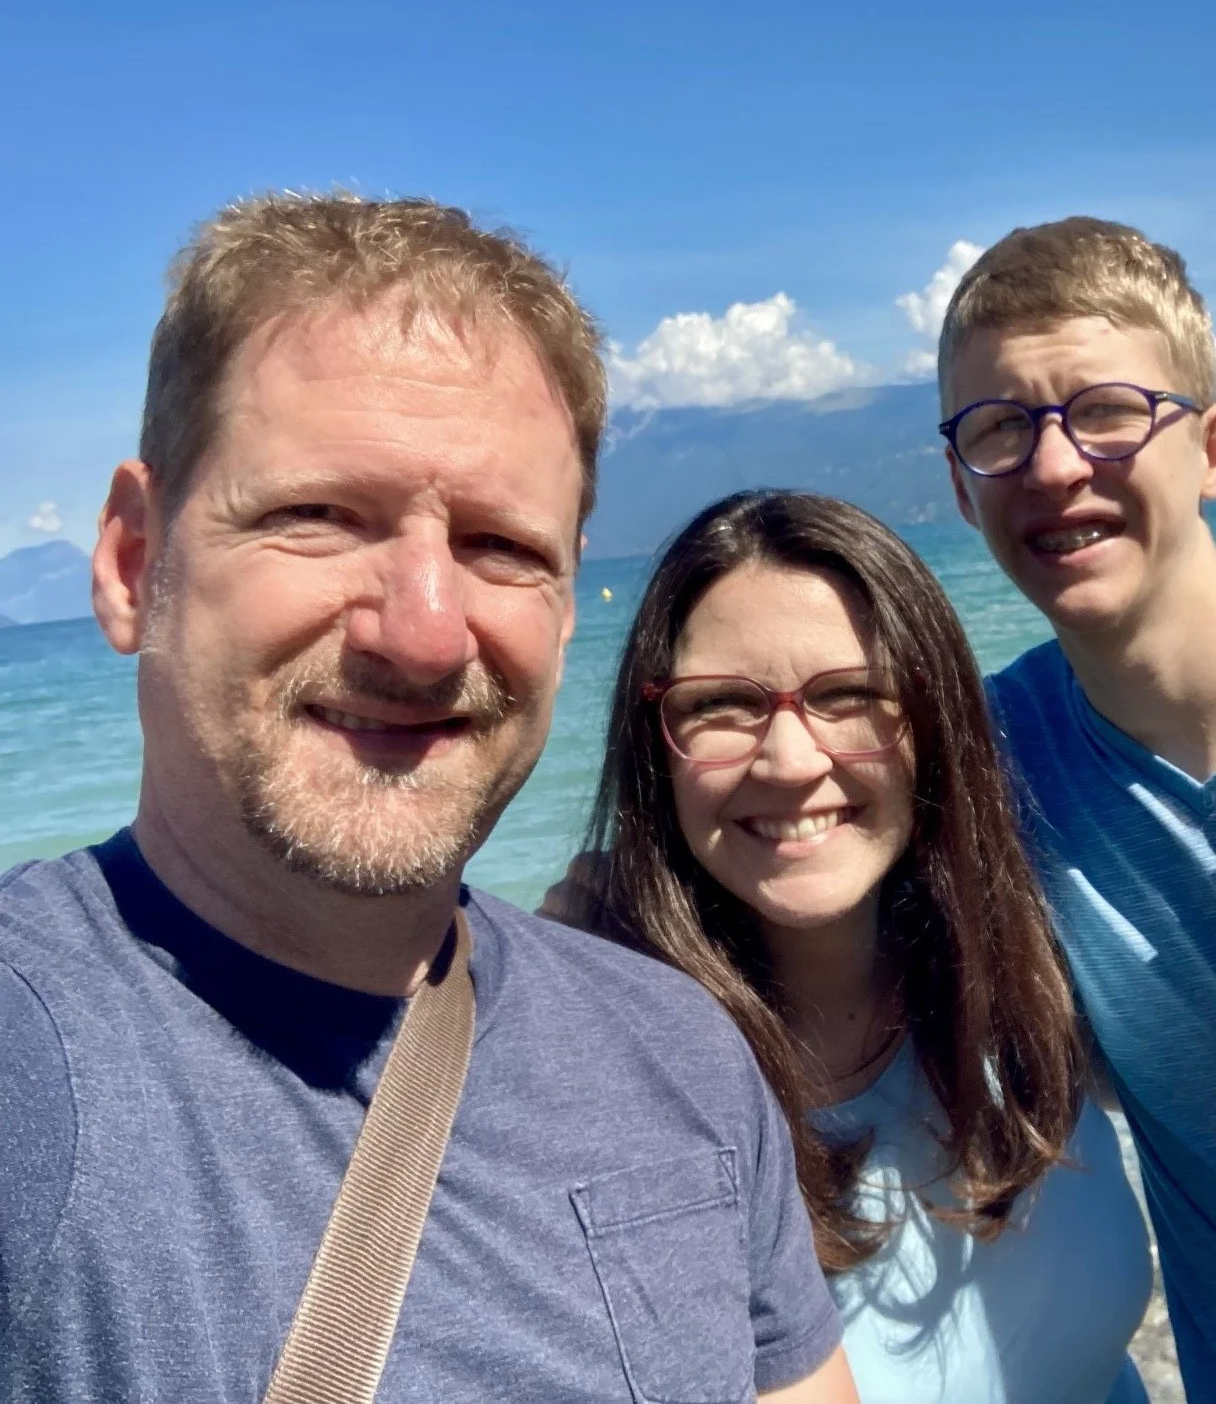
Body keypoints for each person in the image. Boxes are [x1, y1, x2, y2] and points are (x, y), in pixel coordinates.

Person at [0, 195, 854, 1403]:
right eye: (319, 515)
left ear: (564, 612)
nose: (424, 628)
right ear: (136, 563)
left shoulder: (682, 1056)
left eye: (503, 545)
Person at [545, 488, 1154, 1404]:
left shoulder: (1029, 965)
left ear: (935, 725)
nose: (791, 760)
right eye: (721, 706)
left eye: (850, 696)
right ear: (656, 745)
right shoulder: (617, 1081)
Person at [937, 216, 1216, 1401]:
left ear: (1212, 447)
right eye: (1000, 427)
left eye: (1105, 411)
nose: (1053, 467)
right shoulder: (978, 768)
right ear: (960, 483)